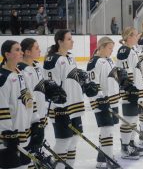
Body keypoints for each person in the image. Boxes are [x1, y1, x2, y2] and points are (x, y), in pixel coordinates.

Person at [43, 30, 85, 169]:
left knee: (74, 139)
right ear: (60, 42)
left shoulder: (70, 57)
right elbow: (50, 85)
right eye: (68, 39)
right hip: (61, 107)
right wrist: (57, 102)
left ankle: (68, 166)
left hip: (75, 104)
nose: (72, 41)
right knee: (63, 141)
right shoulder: (52, 59)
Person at [87, 37, 121, 168]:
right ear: (101, 47)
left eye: (112, 49)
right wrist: (100, 99)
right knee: (107, 129)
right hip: (102, 101)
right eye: (109, 48)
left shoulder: (109, 60)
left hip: (112, 100)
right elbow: (92, 84)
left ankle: (101, 160)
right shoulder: (94, 62)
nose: (111, 51)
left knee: (108, 129)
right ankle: (108, 159)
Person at [0, 40, 35, 168]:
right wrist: (7, 133)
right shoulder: (3, 77)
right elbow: (2, 108)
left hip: (23, 130)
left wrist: (34, 122)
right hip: (9, 134)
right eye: (17, 50)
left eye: (21, 49)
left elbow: (28, 98)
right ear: (7, 54)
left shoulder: (20, 73)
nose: (21, 52)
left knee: (25, 165)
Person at [116, 27, 143, 159]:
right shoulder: (125, 51)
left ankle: (131, 143)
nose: (137, 37)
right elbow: (124, 72)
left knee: (134, 118)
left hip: (136, 89)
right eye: (135, 35)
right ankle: (125, 147)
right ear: (128, 37)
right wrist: (130, 89)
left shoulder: (131, 50)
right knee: (129, 119)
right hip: (130, 90)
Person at [18, 38, 48, 168]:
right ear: (28, 52)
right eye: (36, 48)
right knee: (28, 154)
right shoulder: (22, 70)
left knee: (37, 152)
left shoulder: (37, 66)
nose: (40, 50)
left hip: (40, 116)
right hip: (29, 120)